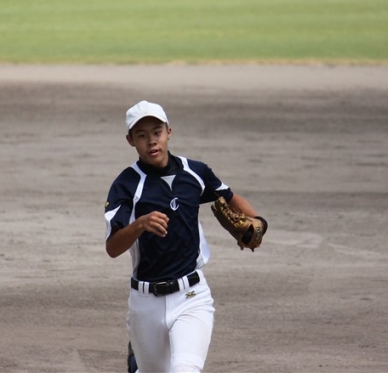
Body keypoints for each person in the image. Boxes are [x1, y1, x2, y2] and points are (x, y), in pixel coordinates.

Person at [103, 100, 267, 373]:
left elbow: (229, 197)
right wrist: (139, 224)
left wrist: (259, 222)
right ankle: (137, 363)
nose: (151, 141)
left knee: (185, 369)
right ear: (130, 140)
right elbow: (112, 247)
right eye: (141, 135)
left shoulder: (195, 172)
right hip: (145, 302)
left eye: (157, 132)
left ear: (169, 132)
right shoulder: (126, 185)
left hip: (192, 296)